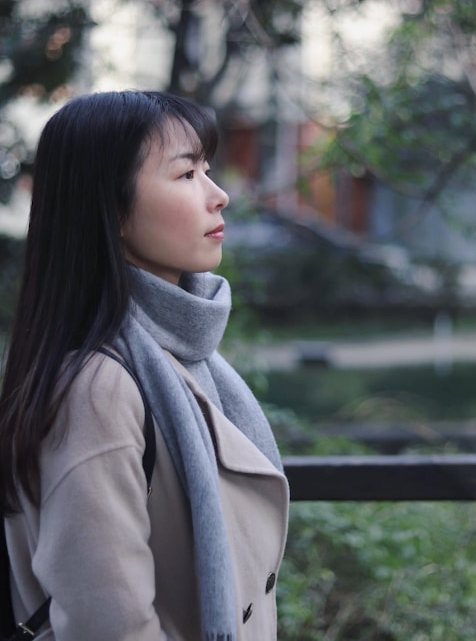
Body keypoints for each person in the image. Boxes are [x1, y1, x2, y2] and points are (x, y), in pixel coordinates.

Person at [0, 90, 289, 640]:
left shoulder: (184, 360)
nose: (219, 195)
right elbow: (107, 625)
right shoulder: (96, 391)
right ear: (111, 209)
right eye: (185, 175)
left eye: (207, 169)